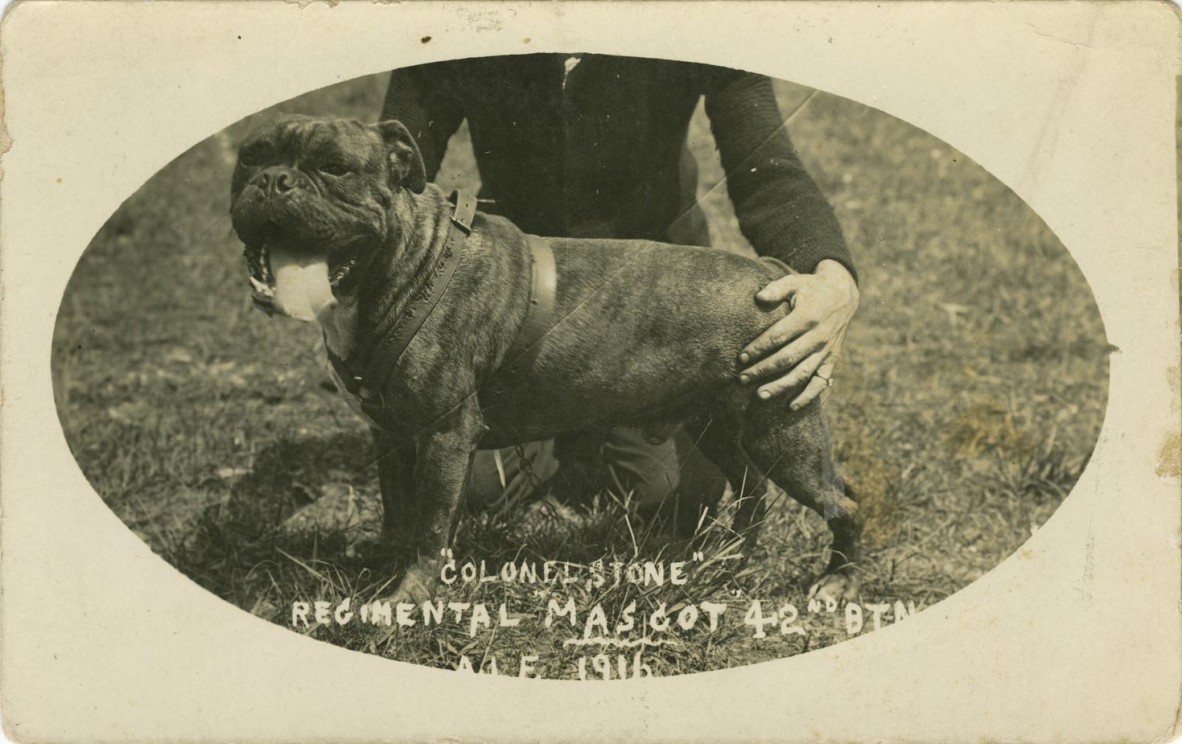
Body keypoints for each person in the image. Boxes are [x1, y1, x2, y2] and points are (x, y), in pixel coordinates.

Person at [379, 54, 859, 529]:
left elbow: (768, 169)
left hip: (662, 311)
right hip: (515, 307)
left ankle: (589, 432)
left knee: (672, 498)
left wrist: (833, 275)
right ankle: (564, 432)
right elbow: (385, 174)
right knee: (470, 486)